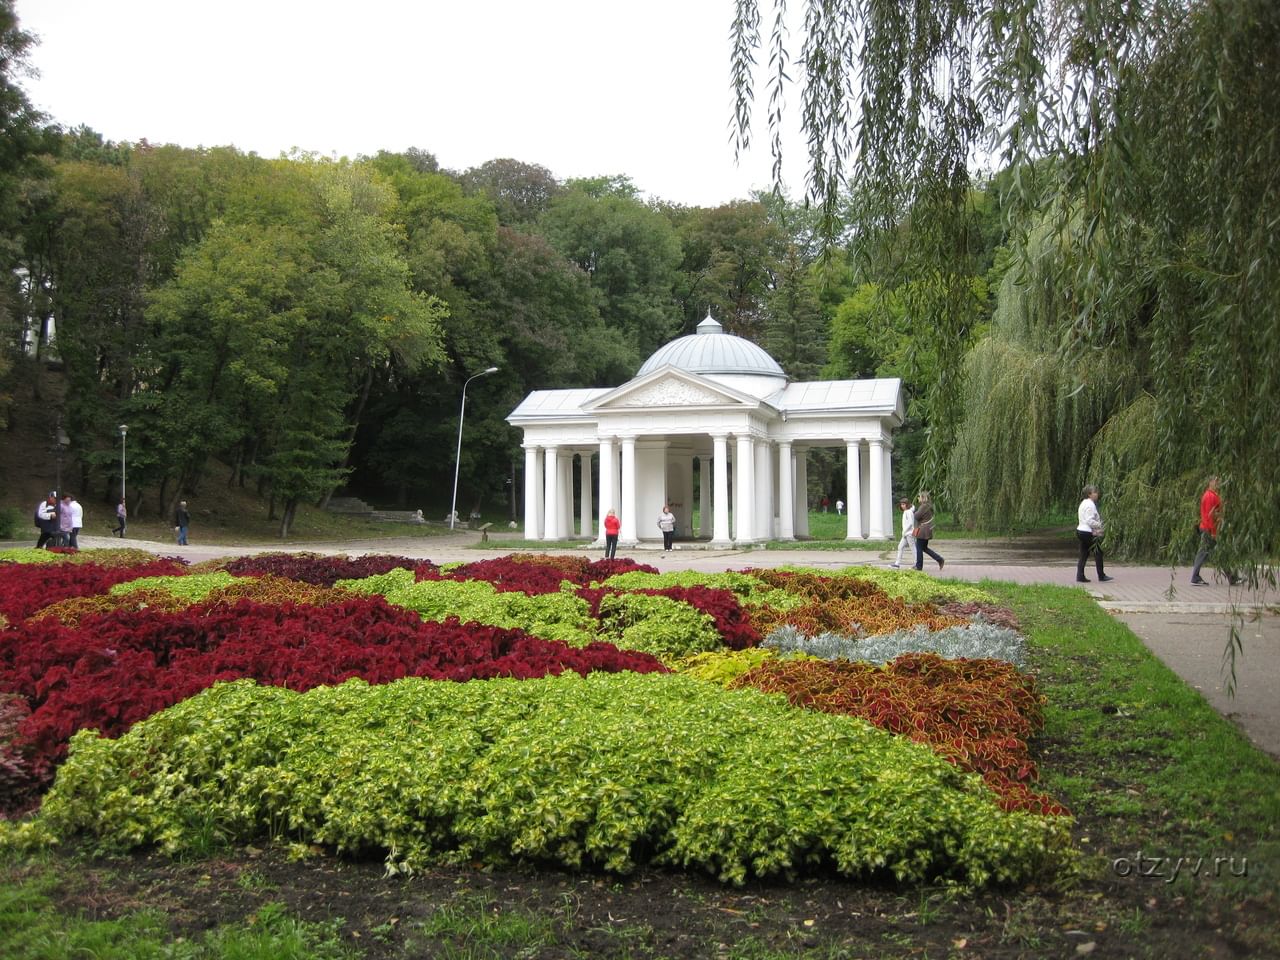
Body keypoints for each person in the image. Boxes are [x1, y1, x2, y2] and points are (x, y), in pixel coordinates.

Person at [1190, 476, 1240, 586]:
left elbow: (1215, 512)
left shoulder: (1213, 495)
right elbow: (1209, 516)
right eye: (1216, 480)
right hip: (1208, 529)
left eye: (1218, 480)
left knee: (1216, 552)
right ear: (1210, 482)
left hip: (1210, 529)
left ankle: (1232, 577)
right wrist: (1213, 532)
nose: (1218, 482)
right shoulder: (1209, 496)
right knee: (1204, 553)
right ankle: (1195, 577)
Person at [1075, 484, 1113, 583]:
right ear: (1089, 494)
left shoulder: (1083, 503)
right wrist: (1101, 525)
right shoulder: (1090, 505)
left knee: (1084, 553)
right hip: (1087, 532)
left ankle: (1080, 576)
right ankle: (1101, 575)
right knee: (1098, 552)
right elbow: (1089, 520)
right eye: (1095, 492)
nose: (1097, 494)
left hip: (1081, 531)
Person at [912, 491, 945, 571]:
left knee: (919, 547)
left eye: (919, 497)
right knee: (924, 548)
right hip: (927, 530)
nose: (918, 498)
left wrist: (913, 511)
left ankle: (919, 566)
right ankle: (939, 559)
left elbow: (916, 516)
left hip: (923, 530)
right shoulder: (928, 506)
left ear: (923, 498)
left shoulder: (923, 506)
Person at [891, 497, 915, 568]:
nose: (902, 506)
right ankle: (897, 564)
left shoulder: (909, 512)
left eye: (904, 504)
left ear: (907, 504)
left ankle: (916, 563)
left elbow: (910, 523)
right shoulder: (906, 512)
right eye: (901, 504)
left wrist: (905, 531)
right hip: (905, 534)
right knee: (900, 547)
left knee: (913, 548)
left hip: (909, 534)